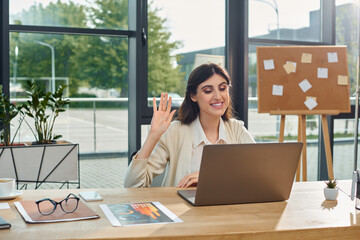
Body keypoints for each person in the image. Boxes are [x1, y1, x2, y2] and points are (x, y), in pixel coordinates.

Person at [124, 63, 255, 188]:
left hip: (226, 208)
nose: (218, 96)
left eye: (222, 88)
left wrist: (210, 177)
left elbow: (259, 175)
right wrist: (153, 136)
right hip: (181, 209)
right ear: (193, 96)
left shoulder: (237, 129)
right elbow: (133, 185)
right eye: (208, 91)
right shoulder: (174, 132)